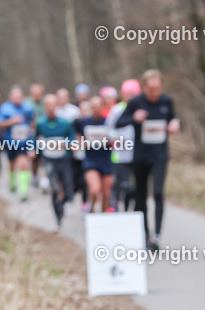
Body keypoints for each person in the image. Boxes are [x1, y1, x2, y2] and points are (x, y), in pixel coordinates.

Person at [113, 69, 180, 249]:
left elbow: (173, 118)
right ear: (143, 88)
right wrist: (133, 118)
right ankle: (145, 233)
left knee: (158, 193)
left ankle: (157, 236)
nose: (154, 93)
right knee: (141, 197)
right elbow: (118, 123)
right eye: (151, 90)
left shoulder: (166, 101)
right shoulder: (135, 102)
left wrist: (174, 124)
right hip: (141, 156)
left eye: (157, 89)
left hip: (160, 155)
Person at [35, 93, 76, 227]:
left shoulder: (65, 123)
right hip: (49, 160)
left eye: (53, 104)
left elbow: (72, 138)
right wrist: (34, 149)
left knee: (67, 185)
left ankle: (65, 203)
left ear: (57, 105)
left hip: (64, 159)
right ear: (45, 106)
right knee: (55, 188)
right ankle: (58, 217)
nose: (51, 108)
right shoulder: (40, 123)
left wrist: (68, 144)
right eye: (48, 105)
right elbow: (35, 139)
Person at [105, 79, 141, 212]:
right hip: (119, 154)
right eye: (128, 93)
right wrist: (113, 138)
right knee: (119, 184)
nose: (131, 96)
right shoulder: (116, 109)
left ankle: (130, 210)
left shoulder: (140, 109)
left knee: (133, 187)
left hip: (136, 154)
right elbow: (108, 127)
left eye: (134, 93)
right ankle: (114, 207)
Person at [75, 95, 115, 213]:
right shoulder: (84, 122)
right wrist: (81, 143)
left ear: (103, 106)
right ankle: (91, 211)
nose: (96, 108)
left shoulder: (108, 122)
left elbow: (115, 137)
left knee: (106, 194)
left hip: (106, 159)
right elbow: (79, 137)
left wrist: (114, 142)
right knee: (95, 189)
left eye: (98, 106)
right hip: (91, 160)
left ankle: (102, 216)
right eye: (93, 106)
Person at [0, 85, 36, 201]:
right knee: (12, 165)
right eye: (15, 97)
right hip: (10, 141)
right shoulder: (5, 108)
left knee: (23, 165)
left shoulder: (28, 108)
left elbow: (32, 123)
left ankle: (23, 191)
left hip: (24, 142)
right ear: (10, 97)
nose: (18, 99)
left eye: (20, 97)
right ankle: (13, 183)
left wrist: (32, 141)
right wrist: (11, 122)